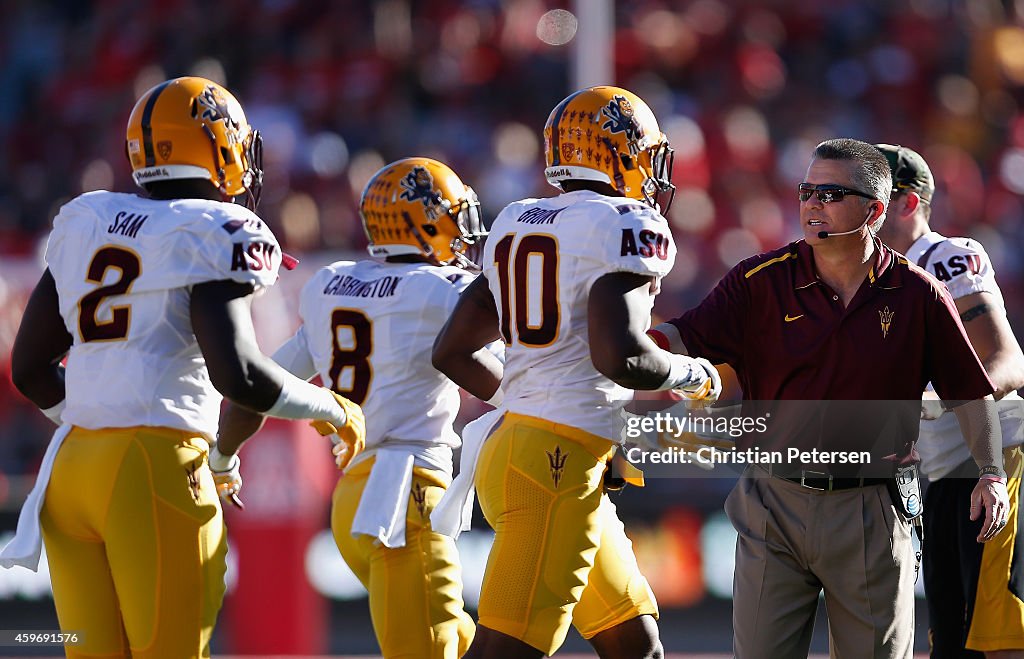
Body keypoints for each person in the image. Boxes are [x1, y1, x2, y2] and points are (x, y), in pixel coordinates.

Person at [6, 76, 364, 658]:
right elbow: (238, 375)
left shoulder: (89, 216)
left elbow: (30, 368)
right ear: (218, 145)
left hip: (70, 472)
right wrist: (332, 407)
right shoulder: (212, 228)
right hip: (155, 469)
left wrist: (105, 426)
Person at [647, 137, 1011, 659]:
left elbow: (970, 393)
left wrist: (991, 473)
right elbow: (682, 335)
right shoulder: (758, 280)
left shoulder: (920, 293)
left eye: (831, 193)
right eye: (806, 190)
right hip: (773, 498)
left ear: (875, 210)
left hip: (871, 504)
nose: (812, 204)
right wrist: (634, 342)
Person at [431, 85, 721, 659]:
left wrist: (534, 402)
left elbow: (453, 350)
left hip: (526, 449)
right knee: (508, 649)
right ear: (624, 149)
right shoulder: (624, 223)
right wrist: (696, 376)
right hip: (554, 465)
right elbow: (622, 358)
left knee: (633, 641)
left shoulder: (516, 219)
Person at [217, 156, 485, 658]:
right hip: (409, 497)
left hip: (353, 502)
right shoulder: (441, 290)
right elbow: (511, 375)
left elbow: (262, 386)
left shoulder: (331, 284)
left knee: (458, 641)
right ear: (425, 221)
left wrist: (221, 457)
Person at [874, 143, 1024, 658]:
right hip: (940, 479)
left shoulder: (946, 258)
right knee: (953, 647)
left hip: (995, 464)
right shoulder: (855, 277)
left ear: (907, 203)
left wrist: (940, 397)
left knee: (1000, 639)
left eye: (868, 191)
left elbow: (1009, 361)